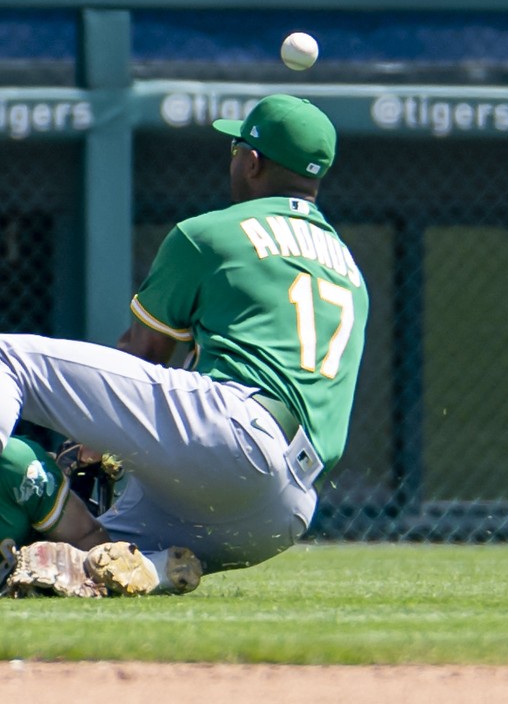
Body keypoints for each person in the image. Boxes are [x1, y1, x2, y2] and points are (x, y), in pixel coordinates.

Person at [0, 94, 369, 591]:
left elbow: (144, 352)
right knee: (85, 555)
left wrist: (92, 438)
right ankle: (156, 569)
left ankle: (150, 564)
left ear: (253, 162)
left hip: (232, 437)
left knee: (9, 358)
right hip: (284, 512)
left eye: (236, 149)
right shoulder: (349, 270)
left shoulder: (215, 234)